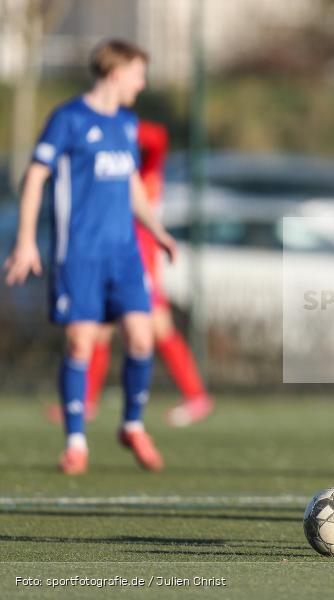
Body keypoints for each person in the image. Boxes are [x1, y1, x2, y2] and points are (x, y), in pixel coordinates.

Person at [4, 39, 178, 475]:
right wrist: (25, 240)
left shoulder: (127, 123)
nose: (142, 84)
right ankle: (76, 442)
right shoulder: (68, 119)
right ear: (116, 73)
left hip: (124, 253)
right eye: (138, 74)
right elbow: (35, 176)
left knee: (141, 338)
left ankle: (132, 426)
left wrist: (157, 230)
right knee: (81, 342)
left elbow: (131, 183)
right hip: (79, 254)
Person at [45, 121, 214, 427]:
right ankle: (88, 402)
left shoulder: (146, 172)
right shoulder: (117, 171)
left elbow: (158, 138)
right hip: (117, 257)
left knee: (155, 329)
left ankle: (195, 396)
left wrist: (118, 126)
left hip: (139, 260)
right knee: (103, 330)